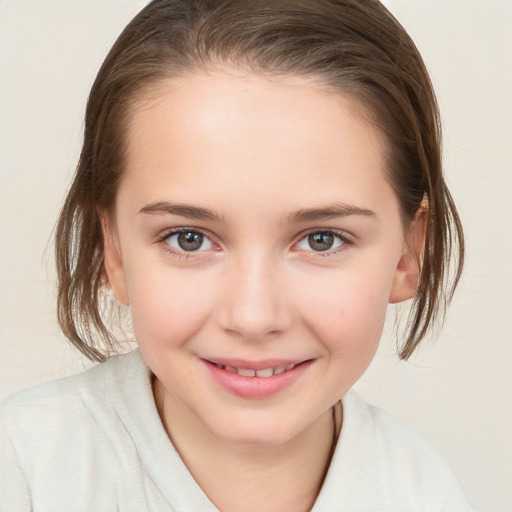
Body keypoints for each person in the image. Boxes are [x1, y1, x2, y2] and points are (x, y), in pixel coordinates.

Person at [0, 0, 474, 510]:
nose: (253, 317)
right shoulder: (24, 470)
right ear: (113, 251)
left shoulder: (426, 494)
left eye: (322, 239)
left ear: (409, 253)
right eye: (189, 238)